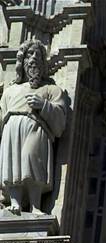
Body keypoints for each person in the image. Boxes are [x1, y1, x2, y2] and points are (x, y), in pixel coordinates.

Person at [0, 40, 68, 215]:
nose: (33, 59)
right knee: (13, 163)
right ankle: (14, 203)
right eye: (29, 55)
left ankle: (35, 205)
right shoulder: (10, 91)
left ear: (44, 65)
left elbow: (60, 122)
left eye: (38, 56)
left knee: (30, 159)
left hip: (36, 130)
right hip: (11, 131)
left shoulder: (51, 89)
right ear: (22, 63)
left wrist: (43, 105)